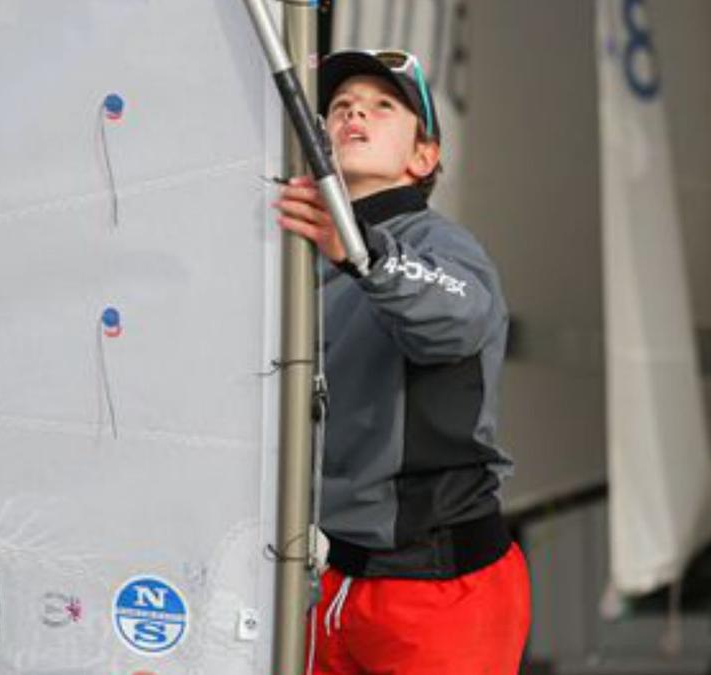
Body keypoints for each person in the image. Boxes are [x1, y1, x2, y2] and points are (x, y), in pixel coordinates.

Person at [272, 50, 531, 674]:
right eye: (338, 107)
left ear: (423, 157)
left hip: (442, 590)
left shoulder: (442, 246)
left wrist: (362, 253)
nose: (355, 110)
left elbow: (457, 319)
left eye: (383, 105)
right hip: (329, 584)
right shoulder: (291, 261)